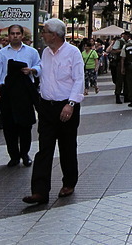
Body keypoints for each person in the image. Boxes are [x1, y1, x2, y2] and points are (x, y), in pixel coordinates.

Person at [21, 18, 84, 205]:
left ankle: (69, 182)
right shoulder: (46, 53)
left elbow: (79, 80)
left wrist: (71, 104)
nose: (42, 34)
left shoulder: (73, 53)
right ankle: (39, 191)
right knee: (44, 149)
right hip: (47, 106)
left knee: (67, 146)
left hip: (66, 106)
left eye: (45, 31)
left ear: (55, 35)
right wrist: (34, 71)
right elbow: (44, 70)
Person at [0, 24, 41, 167]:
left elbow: (40, 66)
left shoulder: (32, 52)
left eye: (18, 33)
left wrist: (32, 70)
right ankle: (14, 155)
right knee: (9, 126)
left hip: (24, 92)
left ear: (22, 35)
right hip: (7, 92)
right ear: (9, 35)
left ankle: (25, 153)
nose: (15, 36)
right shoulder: (2, 53)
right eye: (12, 33)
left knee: (25, 125)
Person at [109, 31, 129, 104]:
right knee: (119, 80)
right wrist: (123, 50)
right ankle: (118, 96)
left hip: (127, 62)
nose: (128, 37)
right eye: (127, 36)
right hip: (119, 62)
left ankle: (126, 96)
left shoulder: (128, 42)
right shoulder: (119, 41)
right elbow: (113, 51)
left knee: (127, 80)